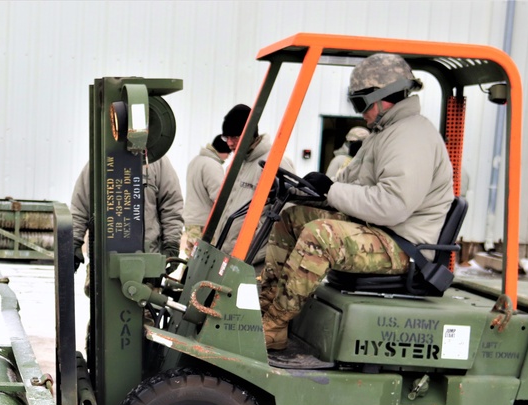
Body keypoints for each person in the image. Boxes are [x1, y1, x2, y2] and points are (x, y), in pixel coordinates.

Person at [258, 52, 454, 351]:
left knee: (320, 236)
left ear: (384, 97)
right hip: (381, 232)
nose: (359, 112)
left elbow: (393, 205)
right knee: (293, 219)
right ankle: (265, 310)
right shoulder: (384, 133)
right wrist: (316, 189)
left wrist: (333, 191)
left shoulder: (410, 136)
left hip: (403, 246)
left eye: (360, 103)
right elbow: (349, 184)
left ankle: (273, 326)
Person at [71, 154, 184, 281]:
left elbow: (171, 207)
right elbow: (80, 207)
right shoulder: (100, 160)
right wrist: (74, 242)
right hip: (104, 264)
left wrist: (171, 245)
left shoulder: (158, 162)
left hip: (147, 265)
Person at [212, 103, 297, 254]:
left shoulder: (274, 162)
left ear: (250, 134)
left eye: (235, 137)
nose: (229, 143)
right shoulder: (237, 164)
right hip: (228, 254)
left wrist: (256, 248)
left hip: (253, 259)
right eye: (226, 137)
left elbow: (287, 212)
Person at [182, 135, 231, 254]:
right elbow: (219, 196)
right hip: (203, 223)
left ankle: (185, 273)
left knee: (193, 258)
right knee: (203, 259)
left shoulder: (196, 161)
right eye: (228, 153)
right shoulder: (212, 165)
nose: (228, 157)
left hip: (191, 220)